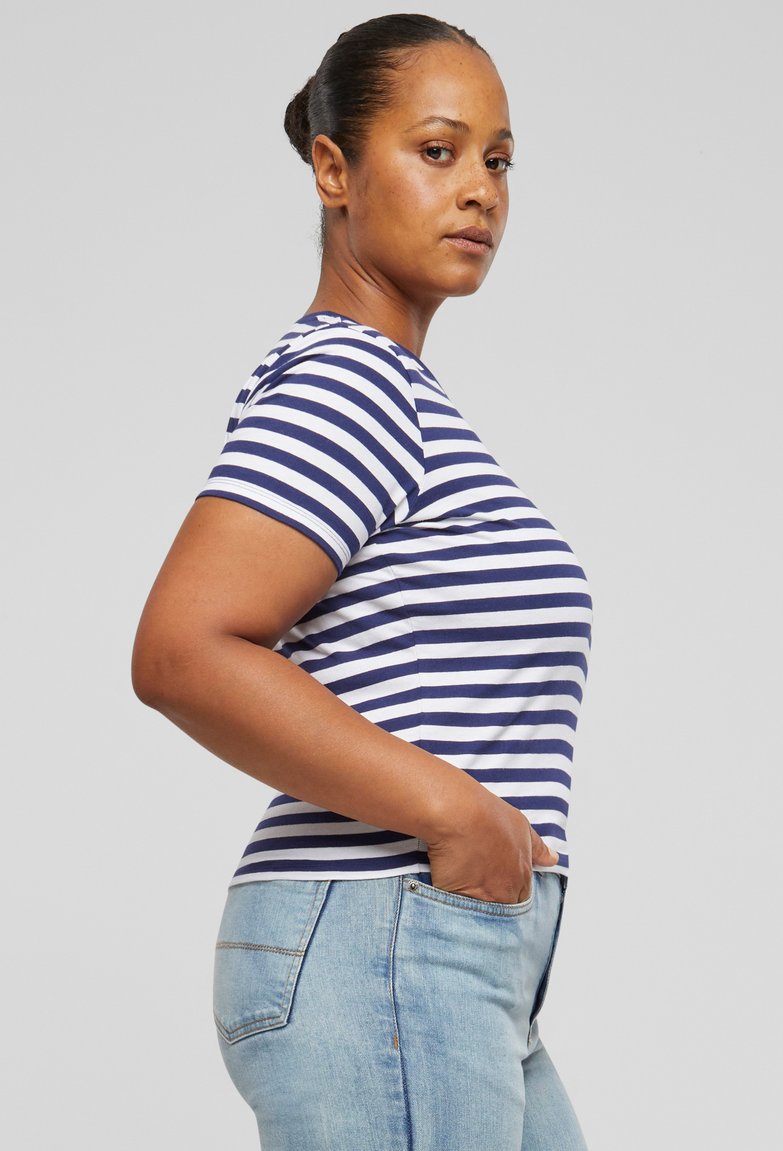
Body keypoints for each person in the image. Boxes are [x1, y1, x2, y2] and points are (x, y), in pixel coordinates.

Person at [131, 12, 592, 1150]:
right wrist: (456, 811)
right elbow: (184, 649)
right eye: (437, 150)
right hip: (385, 942)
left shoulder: (396, 394)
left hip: (445, 954)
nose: (479, 189)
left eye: (498, 160)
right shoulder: (351, 382)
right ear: (334, 170)